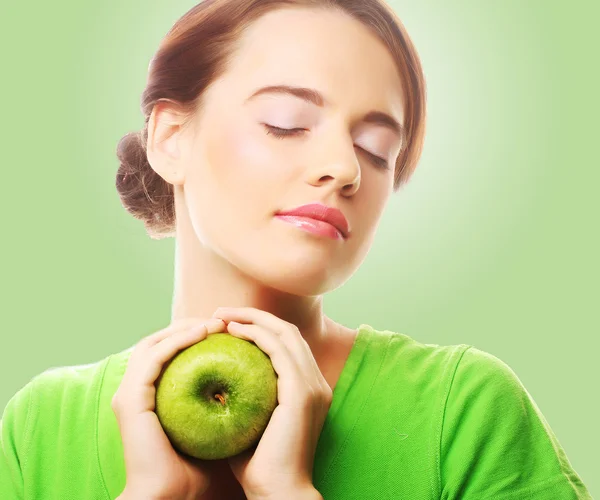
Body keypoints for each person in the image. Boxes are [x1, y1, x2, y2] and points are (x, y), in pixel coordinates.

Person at [0, 0, 593, 499]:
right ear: (171, 138)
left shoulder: (462, 411)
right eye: (286, 123)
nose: (342, 169)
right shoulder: (42, 429)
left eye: (376, 149)